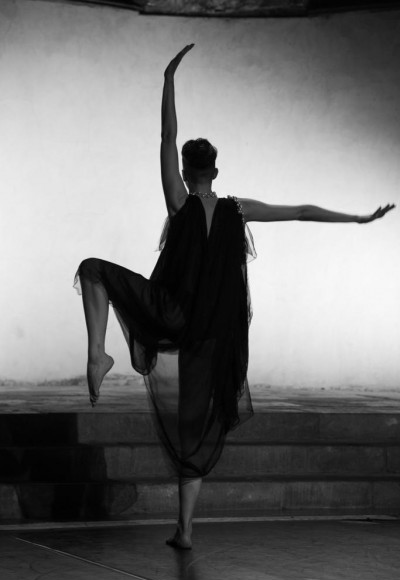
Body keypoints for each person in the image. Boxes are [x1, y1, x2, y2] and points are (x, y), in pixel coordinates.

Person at [74, 44, 395, 550]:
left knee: (92, 271)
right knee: (193, 428)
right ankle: (185, 529)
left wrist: (168, 79)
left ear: (184, 170)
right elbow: (302, 210)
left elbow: (167, 134)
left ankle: (98, 352)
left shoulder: (177, 201)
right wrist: (357, 218)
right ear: (216, 174)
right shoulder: (236, 210)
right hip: (212, 333)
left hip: (173, 315)